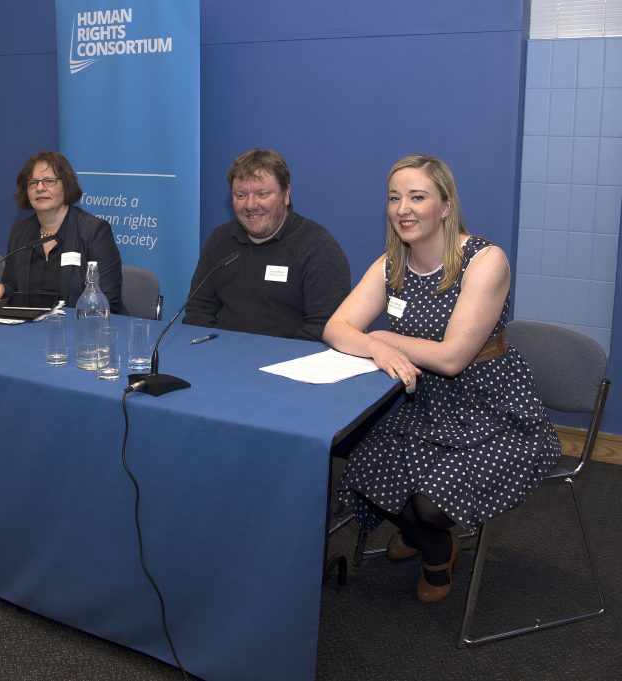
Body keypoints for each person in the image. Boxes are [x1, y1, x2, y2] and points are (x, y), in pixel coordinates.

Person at [323, 154, 561, 603]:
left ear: (446, 206)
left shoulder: (484, 260)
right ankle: (435, 546)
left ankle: (428, 540)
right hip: (423, 403)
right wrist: (376, 346)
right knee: (363, 470)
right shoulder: (392, 264)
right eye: (395, 198)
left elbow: (452, 358)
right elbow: (336, 328)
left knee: (430, 504)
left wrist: (380, 337)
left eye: (417, 197)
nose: (403, 209)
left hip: (492, 408)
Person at [182, 149, 349, 340]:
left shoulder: (318, 247)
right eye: (241, 195)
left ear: (286, 194)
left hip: (289, 362)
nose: (251, 205)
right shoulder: (220, 240)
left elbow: (323, 328)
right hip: (223, 357)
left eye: (262, 194)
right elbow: (198, 312)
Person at [0, 151, 126, 313]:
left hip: (80, 328)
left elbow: (107, 299)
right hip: (29, 330)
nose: (40, 188)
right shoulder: (20, 231)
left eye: (49, 181)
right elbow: (12, 287)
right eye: (33, 182)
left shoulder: (94, 231)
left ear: (67, 185)